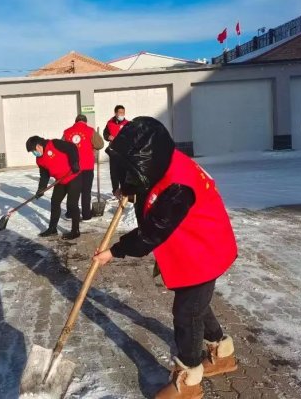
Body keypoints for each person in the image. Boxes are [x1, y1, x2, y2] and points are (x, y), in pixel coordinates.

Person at [93, 117, 238, 399]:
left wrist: (114, 251)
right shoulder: (163, 162)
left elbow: (152, 232)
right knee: (195, 304)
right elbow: (147, 181)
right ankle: (222, 354)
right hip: (194, 245)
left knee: (187, 312)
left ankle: (189, 379)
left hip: (205, 250)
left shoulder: (179, 188)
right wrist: (130, 186)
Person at [25, 135, 81, 240]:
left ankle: (75, 231)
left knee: (72, 204)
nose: (34, 153)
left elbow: (72, 148)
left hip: (73, 177)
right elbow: (44, 175)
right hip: (60, 180)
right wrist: (41, 189)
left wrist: (74, 162)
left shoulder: (54, 144)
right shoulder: (39, 160)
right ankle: (52, 229)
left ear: (38, 146)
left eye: (33, 151)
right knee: (55, 202)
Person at [63, 114, 104, 220]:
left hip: (72, 167)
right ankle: (86, 215)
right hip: (87, 166)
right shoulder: (90, 131)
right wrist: (92, 146)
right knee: (86, 191)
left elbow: (61, 148)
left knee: (72, 191)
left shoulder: (67, 132)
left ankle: (70, 213)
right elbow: (100, 145)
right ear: (85, 122)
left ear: (75, 121)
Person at [103, 105, 130, 196]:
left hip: (124, 152)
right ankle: (115, 191)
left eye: (123, 112)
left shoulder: (128, 123)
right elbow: (105, 134)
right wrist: (108, 137)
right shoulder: (110, 123)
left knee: (124, 172)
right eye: (120, 112)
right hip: (113, 151)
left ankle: (124, 191)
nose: (122, 114)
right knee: (114, 172)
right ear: (115, 113)